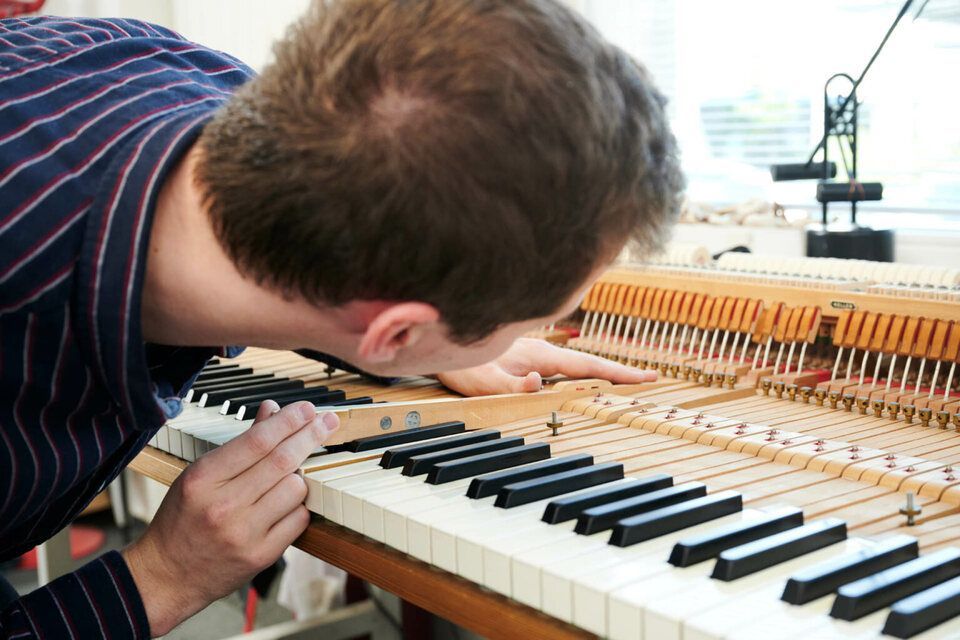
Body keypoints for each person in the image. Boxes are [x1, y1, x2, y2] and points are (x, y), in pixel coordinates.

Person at [0, 0, 682, 636]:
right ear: (396, 331)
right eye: (537, 318)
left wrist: (434, 341)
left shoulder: (179, 72)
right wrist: (161, 578)